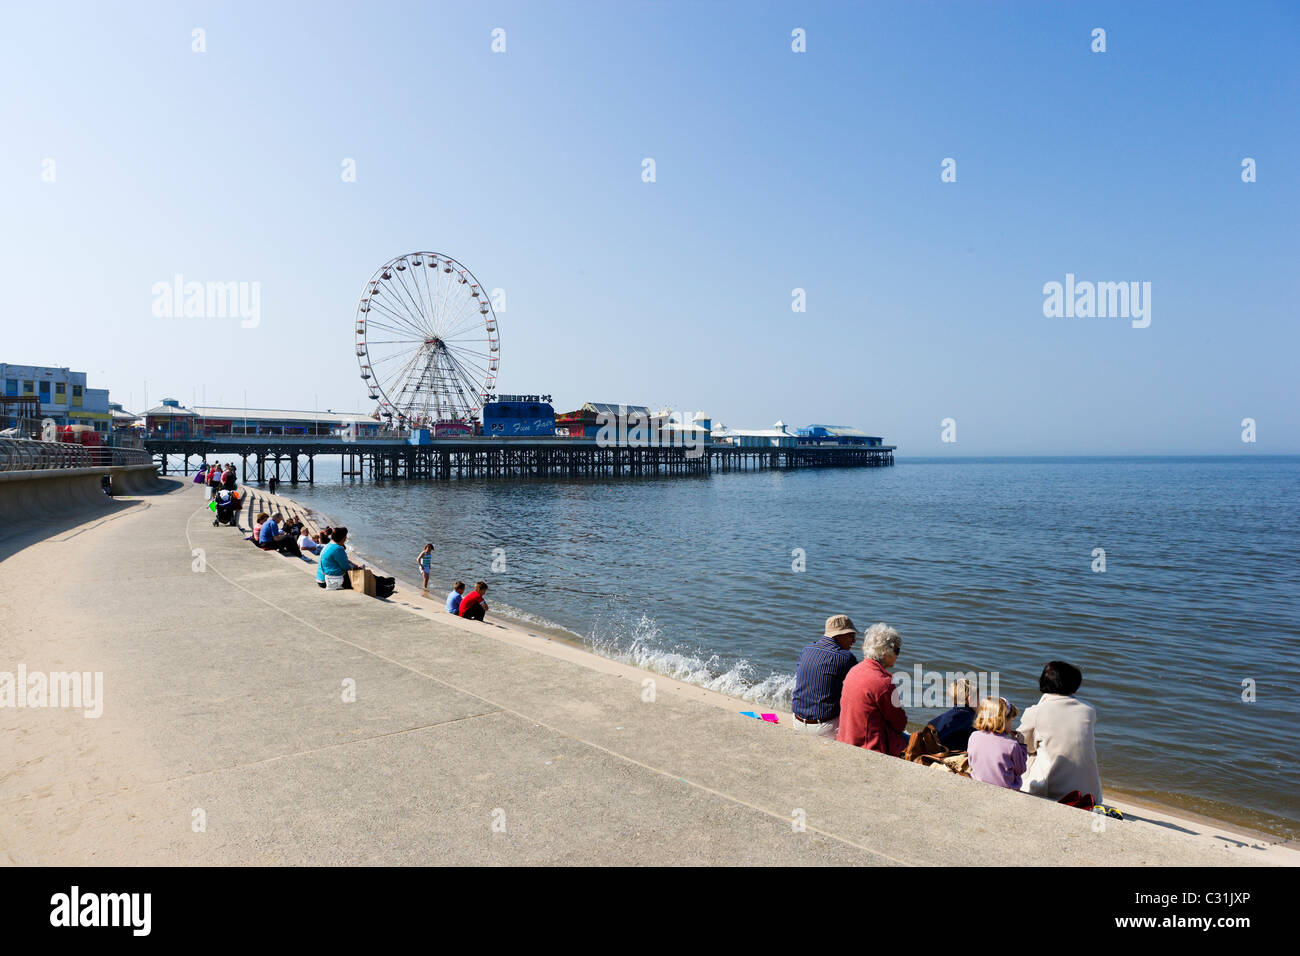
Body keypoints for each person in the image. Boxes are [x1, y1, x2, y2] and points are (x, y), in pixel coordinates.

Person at [1017, 661, 1103, 802]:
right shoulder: (1089, 710)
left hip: (1054, 794)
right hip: (1092, 794)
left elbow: (1024, 745)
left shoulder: (1036, 712)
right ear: (1075, 687)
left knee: (1025, 752)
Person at [836, 623, 907, 756]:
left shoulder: (854, 670)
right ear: (887, 653)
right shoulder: (884, 683)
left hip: (846, 739)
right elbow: (899, 724)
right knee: (914, 742)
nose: (898, 655)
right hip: (868, 747)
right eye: (897, 651)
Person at [790, 614, 859, 737]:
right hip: (825, 728)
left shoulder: (806, 649)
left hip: (797, 721)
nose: (854, 641)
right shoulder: (846, 658)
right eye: (851, 636)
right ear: (840, 636)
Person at [968, 697, 1028, 789]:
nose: (1012, 724)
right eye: (1011, 720)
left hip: (977, 783)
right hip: (1005, 789)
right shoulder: (1012, 745)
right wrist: (1022, 745)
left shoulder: (974, 736)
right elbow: (1021, 769)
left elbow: (971, 762)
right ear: (1003, 721)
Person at [930, 678, 979, 751]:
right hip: (943, 750)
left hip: (931, 741)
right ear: (970, 700)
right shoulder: (968, 715)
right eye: (978, 698)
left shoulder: (954, 712)